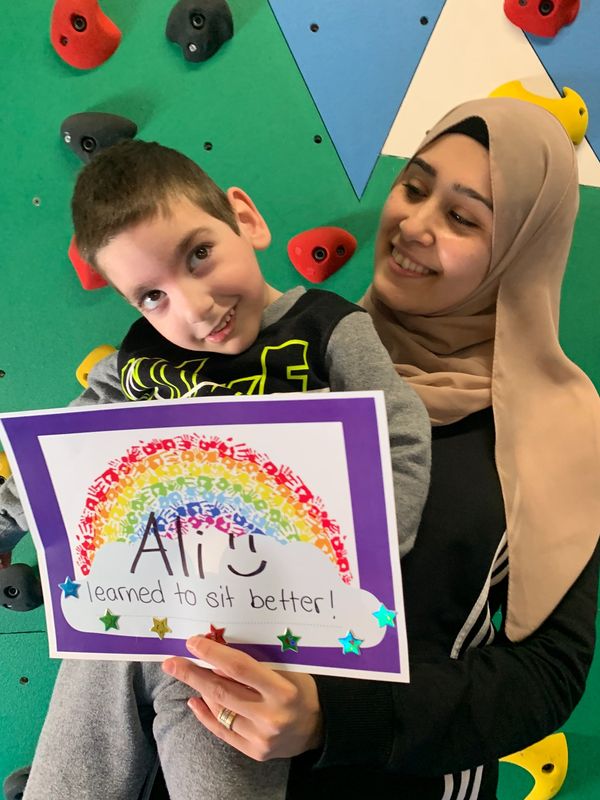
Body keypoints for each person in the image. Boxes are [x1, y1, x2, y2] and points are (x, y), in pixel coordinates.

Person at [160, 97, 600, 800]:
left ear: (520, 248)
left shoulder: (559, 430)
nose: (415, 226)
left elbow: (546, 673)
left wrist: (332, 716)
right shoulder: (289, 358)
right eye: (415, 187)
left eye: (463, 217)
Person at [0, 140, 431, 800]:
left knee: (219, 767)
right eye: (152, 295)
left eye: (199, 254)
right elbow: (60, 463)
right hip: (138, 609)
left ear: (245, 219)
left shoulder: (326, 329)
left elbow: (400, 444)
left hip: (257, 629)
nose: (193, 308)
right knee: (70, 762)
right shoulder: (136, 363)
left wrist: (357, 564)